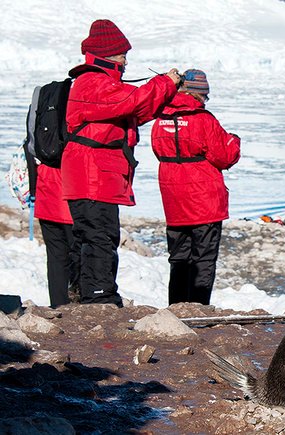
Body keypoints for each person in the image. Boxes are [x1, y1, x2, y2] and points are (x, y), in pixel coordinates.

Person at [62, 19, 182, 306]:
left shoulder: (100, 85)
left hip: (96, 175)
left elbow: (135, 109)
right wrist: (165, 82)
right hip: (93, 176)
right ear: (106, 55)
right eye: (121, 55)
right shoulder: (93, 83)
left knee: (92, 236)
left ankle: (85, 293)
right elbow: (131, 102)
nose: (125, 61)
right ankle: (99, 297)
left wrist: (165, 90)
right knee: (100, 236)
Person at [151, 69, 241, 305]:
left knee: (179, 256)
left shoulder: (160, 119)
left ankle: (177, 306)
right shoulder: (204, 119)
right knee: (204, 257)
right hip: (204, 200)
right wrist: (234, 140)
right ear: (198, 94)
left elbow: (159, 150)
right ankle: (198, 307)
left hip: (174, 199)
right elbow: (224, 156)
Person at [34, 159, 80, 307]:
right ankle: (81, 301)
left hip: (46, 189)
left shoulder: (39, 135)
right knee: (81, 254)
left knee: (55, 258)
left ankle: (58, 305)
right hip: (73, 194)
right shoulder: (74, 135)